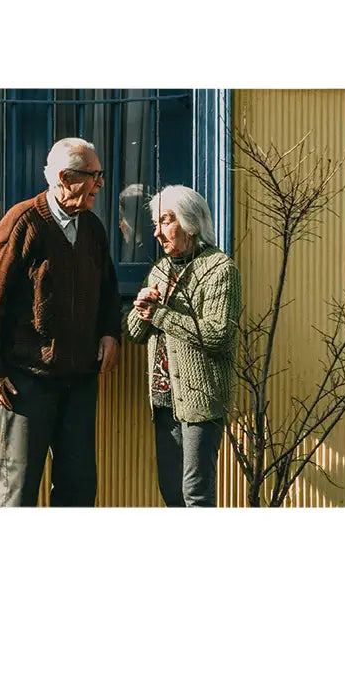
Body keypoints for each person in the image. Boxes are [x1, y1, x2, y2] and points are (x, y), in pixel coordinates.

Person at [0, 138, 122, 507]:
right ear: (65, 178)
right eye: (94, 176)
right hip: (27, 380)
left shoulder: (92, 228)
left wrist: (110, 333)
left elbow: (108, 289)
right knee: (19, 487)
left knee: (78, 486)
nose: (100, 185)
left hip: (80, 378)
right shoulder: (22, 222)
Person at [126, 185, 241, 507]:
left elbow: (219, 335)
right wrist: (141, 308)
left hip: (199, 400)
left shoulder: (219, 269)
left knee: (195, 493)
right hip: (163, 401)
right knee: (171, 491)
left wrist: (160, 314)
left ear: (190, 222)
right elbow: (135, 334)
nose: (157, 233)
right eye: (155, 224)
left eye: (165, 221)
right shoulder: (161, 270)